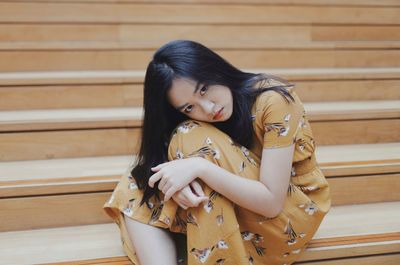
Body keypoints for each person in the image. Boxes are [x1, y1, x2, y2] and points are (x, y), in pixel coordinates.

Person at [103, 39, 331, 265]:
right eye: (189, 107)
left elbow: (271, 203)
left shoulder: (273, 100)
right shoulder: (193, 122)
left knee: (190, 135)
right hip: (238, 208)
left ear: (215, 69)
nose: (209, 108)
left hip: (288, 217)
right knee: (139, 181)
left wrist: (199, 168)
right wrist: (180, 184)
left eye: (204, 89)